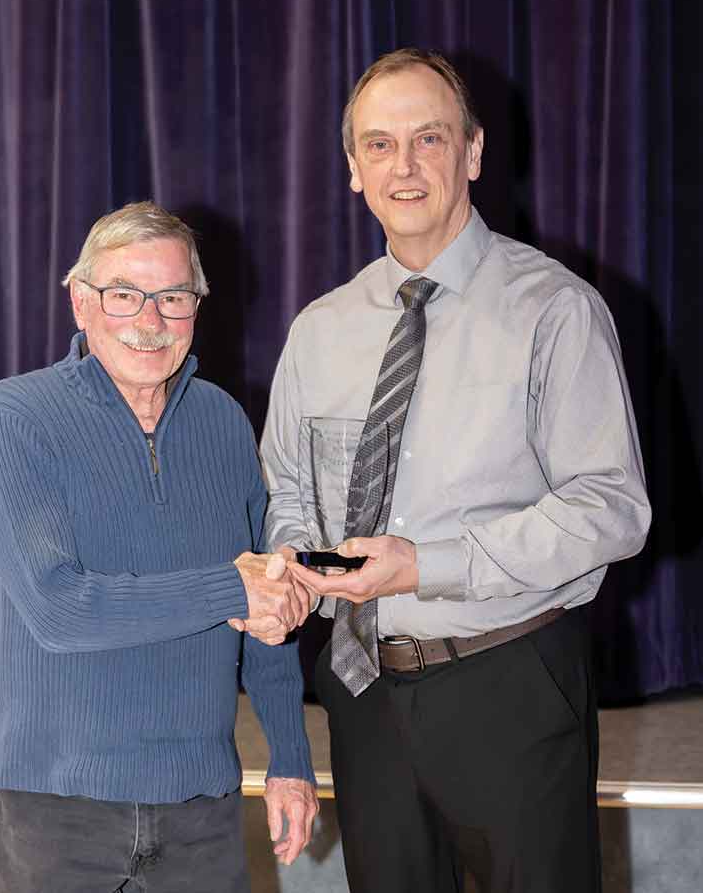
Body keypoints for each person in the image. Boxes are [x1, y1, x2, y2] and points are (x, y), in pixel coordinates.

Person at [260, 49, 651, 892]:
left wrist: (425, 566)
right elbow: (288, 489)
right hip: (363, 691)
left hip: (509, 681)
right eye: (379, 145)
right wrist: (295, 573)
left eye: (428, 139)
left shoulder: (555, 309)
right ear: (353, 168)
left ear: (472, 153)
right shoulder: (321, 330)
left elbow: (612, 508)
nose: (403, 166)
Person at [0, 201, 318, 893]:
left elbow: (270, 606)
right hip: (55, 810)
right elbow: (59, 610)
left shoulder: (224, 422)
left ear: (196, 307)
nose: (150, 321)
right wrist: (232, 587)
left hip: (202, 807)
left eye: (173, 297)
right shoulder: (15, 418)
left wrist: (290, 760)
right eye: (124, 295)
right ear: (80, 302)